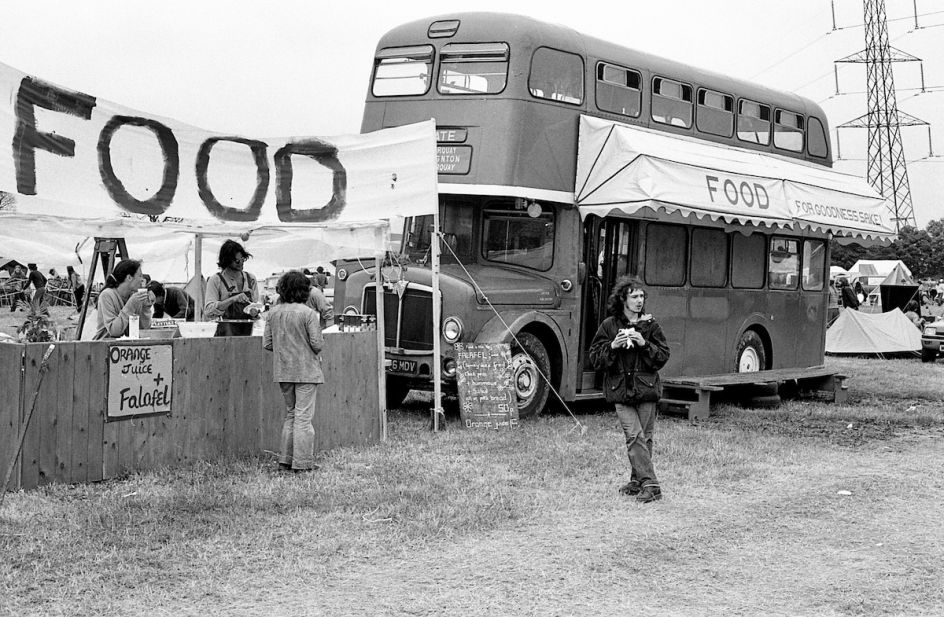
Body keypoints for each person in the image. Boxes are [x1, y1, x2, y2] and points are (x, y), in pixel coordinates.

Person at [589, 275, 671, 504]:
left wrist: (644, 343)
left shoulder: (651, 325)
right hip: (621, 391)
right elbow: (595, 358)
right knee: (634, 436)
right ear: (623, 299)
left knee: (645, 438)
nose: (639, 301)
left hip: (646, 390)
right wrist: (613, 345)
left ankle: (638, 481)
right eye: (634, 296)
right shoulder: (609, 325)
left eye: (642, 296)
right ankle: (652, 485)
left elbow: (663, 356)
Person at [263, 270, 324, 473]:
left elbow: (268, 343)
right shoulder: (308, 314)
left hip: (283, 369)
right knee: (303, 417)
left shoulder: (273, 313)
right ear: (304, 291)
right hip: (306, 369)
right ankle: (303, 463)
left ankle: (285, 461)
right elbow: (317, 344)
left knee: (291, 415)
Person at [204, 239, 260, 336]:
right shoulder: (216, 280)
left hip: (248, 332)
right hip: (225, 336)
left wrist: (255, 312)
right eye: (237, 261)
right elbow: (208, 311)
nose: (241, 263)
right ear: (227, 261)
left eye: (243, 259)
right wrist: (232, 300)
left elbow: (256, 305)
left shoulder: (251, 279)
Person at [93, 259, 153, 339]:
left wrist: (146, 307)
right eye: (140, 276)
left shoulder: (134, 296)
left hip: (127, 348)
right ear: (129, 277)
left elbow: (143, 329)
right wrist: (130, 305)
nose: (143, 280)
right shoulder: (107, 295)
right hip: (106, 346)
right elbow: (114, 331)